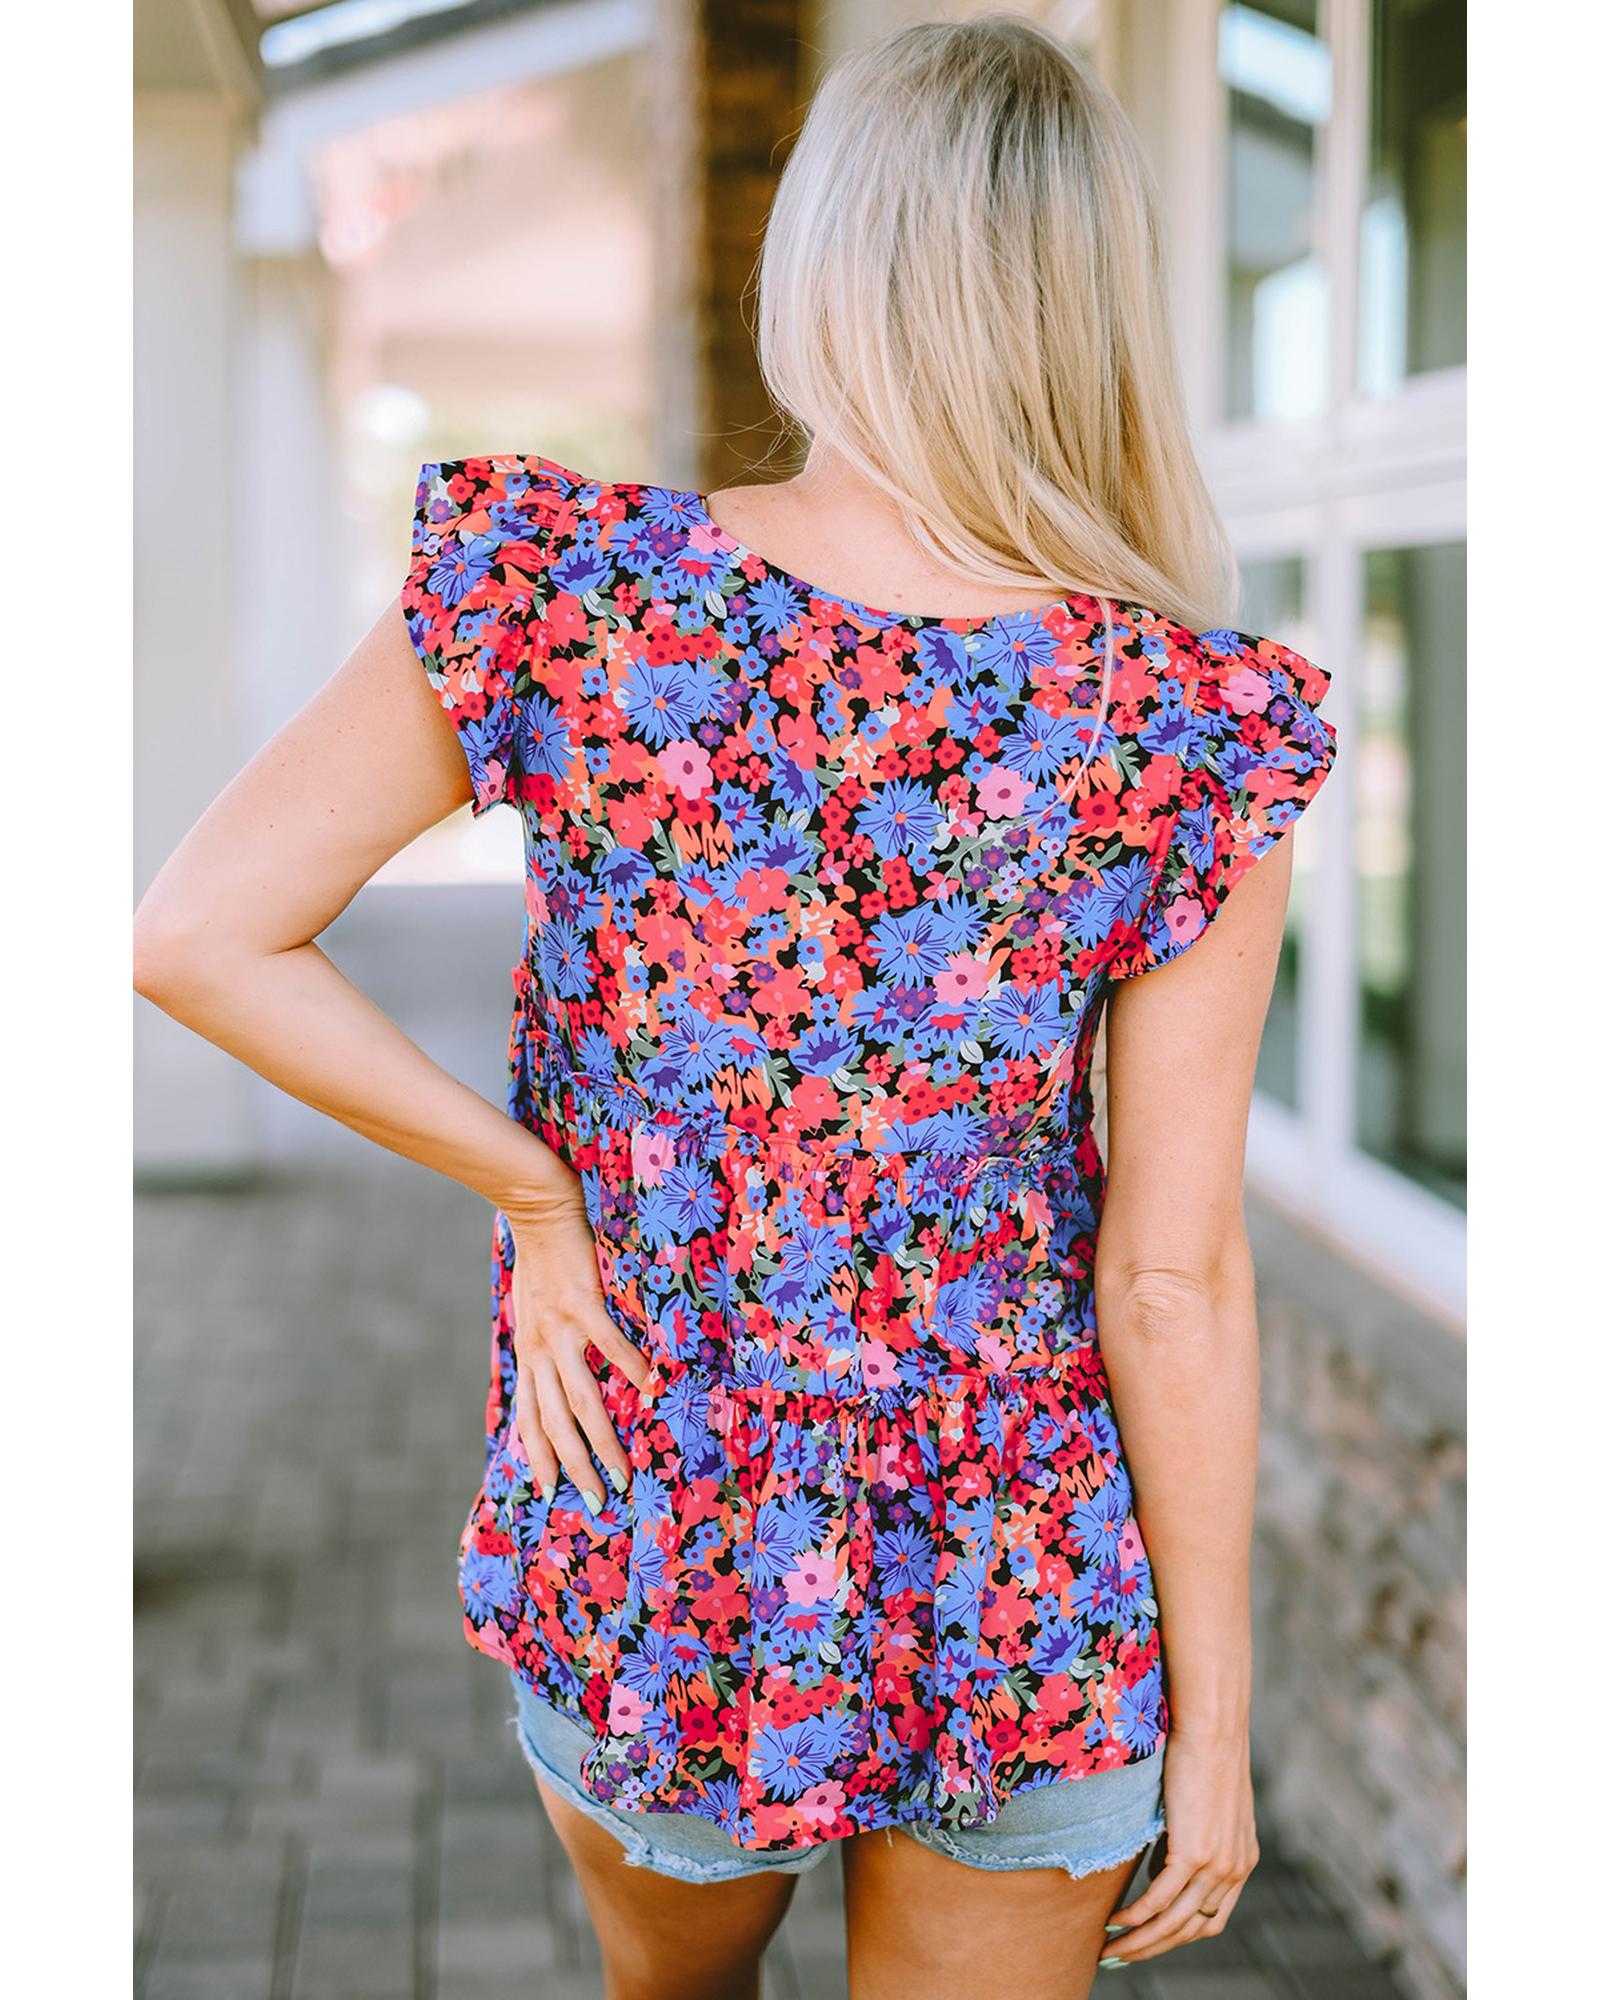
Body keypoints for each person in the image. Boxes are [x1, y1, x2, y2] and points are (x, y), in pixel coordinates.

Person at [133, 14, 1338, 1999]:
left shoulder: (579, 596)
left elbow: (199, 933)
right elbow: (1170, 1277)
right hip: (1017, 1579)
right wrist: (1213, 1726)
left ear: (823, 268)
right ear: (1093, 307)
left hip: (666, 1524)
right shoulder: (1185, 726)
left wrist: (531, 1188)